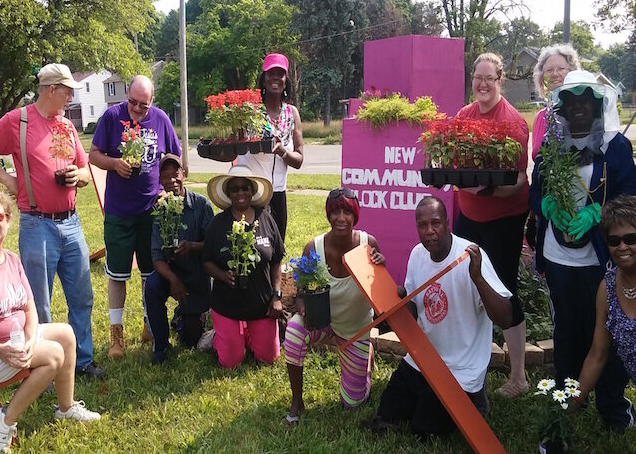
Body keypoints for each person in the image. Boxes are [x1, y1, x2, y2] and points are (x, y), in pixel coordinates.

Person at [0, 63, 103, 379]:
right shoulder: (19, 121)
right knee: (38, 302)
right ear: (50, 89)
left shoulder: (66, 126)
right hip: (36, 223)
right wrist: (8, 181)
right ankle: (44, 363)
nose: (71, 96)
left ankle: (81, 361)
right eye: (67, 90)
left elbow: (86, 169)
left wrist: (78, 176)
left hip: (71, 223)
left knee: (81, 295)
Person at [0, 187, 100, 453]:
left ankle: (66, 408)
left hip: (10, 344)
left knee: (66, 333)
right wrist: (0, 350)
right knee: (53, 355)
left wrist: (30, 340)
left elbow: (29, 305)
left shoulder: (11, 260)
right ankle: (5, 421)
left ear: (7, 219)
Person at [529, 70, 636, 432]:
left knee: (606, 331)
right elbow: (535, 187)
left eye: (584, 100)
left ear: (596, 103)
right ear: (561, 107)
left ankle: (613, 409)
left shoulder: (615, 146)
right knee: (567, 334)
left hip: (600, 260)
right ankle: (566, 405)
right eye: (570, 101)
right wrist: (546, 203)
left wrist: (598, 212)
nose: (577, 107)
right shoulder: (551, 143)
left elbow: (629, 195)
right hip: (559, 258)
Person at [366, 196, 512, 437]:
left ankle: (476, 401)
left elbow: (505, 318)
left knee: (423, 430)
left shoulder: (470, 258)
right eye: (423, 225)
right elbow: (413, 310)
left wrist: (477, 278)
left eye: (436, 223)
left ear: (447, 223)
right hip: (425, 358)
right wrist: (394, 298)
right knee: (387, 411)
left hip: (461, 368)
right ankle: (431, 400)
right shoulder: (417, 255)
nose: (429, 231)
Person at [453, 52, 530, 399]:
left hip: (503, 219)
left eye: (490, 78)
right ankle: (468, 361)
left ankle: (518, 377)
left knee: (503, 290)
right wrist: (459, 183)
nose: (483, 84)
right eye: (478, 77)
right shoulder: (464, 116)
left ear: (501, 81)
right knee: (465, 285)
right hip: (468, 216)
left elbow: (516, 182)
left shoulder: (512, 122)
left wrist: (484, 188)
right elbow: (454, 165)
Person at [89, 75, 181, 358]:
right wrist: (115, 163)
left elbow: (176, 161)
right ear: (126, 95)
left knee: (149, 274)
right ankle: (117, 334)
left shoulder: (161, 119)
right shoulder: (110, 117)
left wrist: (169, 189)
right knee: (117, 275)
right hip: (119, 212)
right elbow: (93, 155)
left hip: (151, 211)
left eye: (144, 105)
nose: (138, 110)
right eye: (133, 103)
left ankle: (149, 324)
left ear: (152, 101)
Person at [283, 187, 385, 424]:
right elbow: (298, 292)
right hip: (322, 321)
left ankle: (365, 358)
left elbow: (381, 290)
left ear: (355, 215)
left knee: (352, 403)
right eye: (335, 212)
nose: (341, 218)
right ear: (328, 215)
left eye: (347, 212)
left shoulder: (367, 244)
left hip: (354, 328)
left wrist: (382, 263)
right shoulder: (313, 248)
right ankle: (297, 400)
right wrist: (302, 307)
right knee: (295, 331)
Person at [202, 165, 285, 368]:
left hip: (261, 305)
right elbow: (206, 261)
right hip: (227, 306)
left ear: (252, 191)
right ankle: (216, 337)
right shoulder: (218, 223)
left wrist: (276, 296)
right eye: (235, 189)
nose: (240, 193)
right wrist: (222, 275)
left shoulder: (265, 219)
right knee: (230, 361)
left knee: (269, 358)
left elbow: (276, 261)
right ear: (228, 194)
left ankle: (247, 333)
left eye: (245, 188)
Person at [144, 154, 214, 363]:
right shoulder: (160, 210)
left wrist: (193, 247)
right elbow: (157, 257)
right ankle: (161, 346)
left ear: (184, 174)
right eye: (165, 177)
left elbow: (214, 247)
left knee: (191, 340)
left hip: (197, 275)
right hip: (171, 274)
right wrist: (173, 280)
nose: (171, 181)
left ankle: (184, 317)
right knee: (152, 286)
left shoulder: (202, 206)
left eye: (175, 175)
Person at [576, 196, 636, 422]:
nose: (622, 247)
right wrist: (568, 409)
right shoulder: (608, 287)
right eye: (614, 241)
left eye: (631, 238)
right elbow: (597, 354)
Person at [235, 52, 303, 241]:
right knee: (248, 245)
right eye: (270, 73)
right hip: (251, 191)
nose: (275, 78)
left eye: (280, 74)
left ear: (285, 80)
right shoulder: (250, 111)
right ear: (263, 79)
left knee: (276, 247)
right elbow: (235, 146)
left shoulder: (292, 113)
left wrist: (282, 151)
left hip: (278, 194)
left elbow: (299, 160)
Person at [526, 44, 581, 249]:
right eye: (549, 70)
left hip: (580, 209)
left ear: (573, 72)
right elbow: (539, 174)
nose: (555, 74)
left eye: (561, 69)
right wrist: (533, 216)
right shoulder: (542, 118)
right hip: (550, 213)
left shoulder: (585, 113)